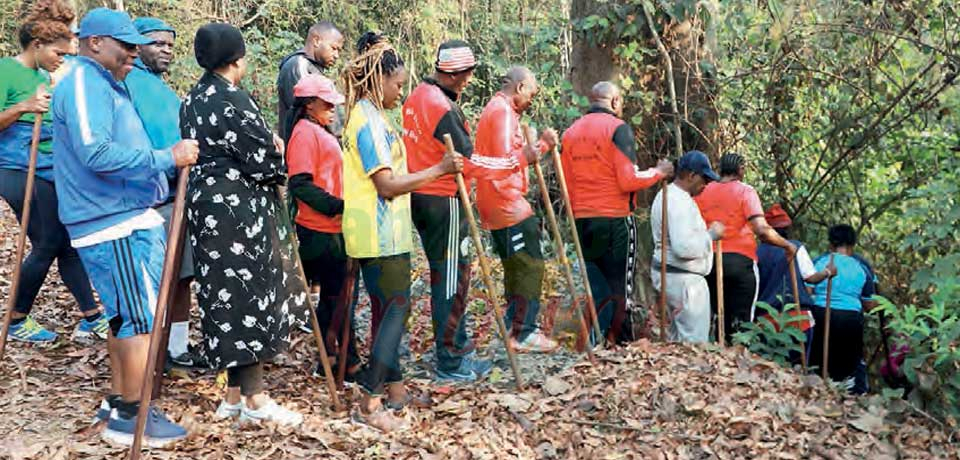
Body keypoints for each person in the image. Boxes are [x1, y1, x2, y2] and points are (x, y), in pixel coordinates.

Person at [52, 7, 198, 446]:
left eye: (137, 47)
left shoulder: (105, 83)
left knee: (124, 317)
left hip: (120, 213)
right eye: (126, 47)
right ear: (95, 42)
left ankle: (119, 401)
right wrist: (165, 158)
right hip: (111, 218)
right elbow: (95, 153)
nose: (133, 55)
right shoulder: (83, 81)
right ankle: (133, 417)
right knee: (139, 319)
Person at [180, 23, 305, 426]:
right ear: (236, 60)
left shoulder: (191, 98)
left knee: (221, 294)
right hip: (237, 211)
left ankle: (233, 395)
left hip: (203, 206)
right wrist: (276, 148)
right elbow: (265, 162)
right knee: (246, 294)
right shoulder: (232, 98)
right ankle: (255, 399)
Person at [341, 32, 462, 432]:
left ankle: (394, 391)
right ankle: (370, 402)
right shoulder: (367, 120)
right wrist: (439, 170)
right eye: (397, 84)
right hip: (378, 234)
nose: (401, 91)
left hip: (384, 233)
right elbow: (387, 185)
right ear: (379, 79)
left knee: (386, 312)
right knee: (395, 314)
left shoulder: (374, 116)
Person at [0, 0, 105, 344]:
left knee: (67, 243)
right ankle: (16, 318)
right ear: (37, 45)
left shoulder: (44, 75)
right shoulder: (6, 71)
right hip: (16, 169)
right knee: (47, 242)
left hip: (48, 168)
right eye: (58, 53)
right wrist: (24, 106)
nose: (62, 59)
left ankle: (92, 317)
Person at [402, 39, 508, 380]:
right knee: (451, 280)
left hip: (420, 195)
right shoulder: (441, 106)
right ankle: (451, 362)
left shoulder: (417, 95)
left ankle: (454, 353)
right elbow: (469, 162)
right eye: (466, 75)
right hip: (441, 199)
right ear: (456, 74)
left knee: (445, 277)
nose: (467, 82)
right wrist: (517, 162)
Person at [560, 81, 674, 344]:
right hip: (615, 220)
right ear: (614, 102)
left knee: (596, 287)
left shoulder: (570, 133)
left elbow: (566, 183)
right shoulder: (617, 129)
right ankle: (621, 345)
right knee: (619, 285)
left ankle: (597, 342)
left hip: (582, 221)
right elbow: (628, 180)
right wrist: (659, 173)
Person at [125, 16, 202, 368]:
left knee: (182, 276)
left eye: (170, 44)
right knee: (162, 277)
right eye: (157, 44)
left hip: (176, 194)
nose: (166, 50)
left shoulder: (157, 86)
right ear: (136, 45)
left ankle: (177, 348)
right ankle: (156, 352)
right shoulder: (133, 83)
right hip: (155, 197)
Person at [473, 66, 559, 353]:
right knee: (529, 264)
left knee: (516, 265)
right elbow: (504, 160)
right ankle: (524, 332)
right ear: (520, 87)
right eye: (531, 93)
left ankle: (515, 328)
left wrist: (537, 146)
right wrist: (543, 145)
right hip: (504, 200)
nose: (532, 100)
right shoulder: (501, 112)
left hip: (499, 200)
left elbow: (514, 155)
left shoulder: (501, 111)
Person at [285, 74, 361, 380]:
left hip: (332, 227)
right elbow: (300, 185)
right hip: (319, 230)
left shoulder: (319, 130)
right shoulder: (305, 133)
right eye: (326, 103)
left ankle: (335, 360)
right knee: (339, 297)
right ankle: (345, 362)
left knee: (336, 297)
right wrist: (339, 206)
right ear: (309, 105)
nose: (332, 108)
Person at [694, 153, 797, 343]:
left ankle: (716, 359)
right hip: (741, 262)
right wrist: (787, 245)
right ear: (741, 170)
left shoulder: (703, 191)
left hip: (708, 261)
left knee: (716, 317)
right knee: (741, 321)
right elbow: (761, 229)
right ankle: (737, 362)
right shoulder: (745, 191)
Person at [650, 151, 722, 342]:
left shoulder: (671, 196)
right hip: (683, 282)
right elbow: (683, 248)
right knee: (694, 343)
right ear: (691, 175)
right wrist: (711, 235)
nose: (706, 184)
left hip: (674, 277)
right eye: (704, 179)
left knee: (677, 344)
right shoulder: (677, 201)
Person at [756, 204, 835, 364]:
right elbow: (811, 277)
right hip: (797, 317)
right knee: (798, 366)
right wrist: (827, 272)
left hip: (766, 319)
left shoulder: (757, 251)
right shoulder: (795, 247)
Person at [807, 224, 877, 394]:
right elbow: (870, 305)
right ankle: (853, 396)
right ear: (853, 244)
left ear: (830, 243)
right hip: (850, 319)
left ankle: (818, 392)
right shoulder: (863, 267)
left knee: (818, 361)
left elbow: (807, 291)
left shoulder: (819, 262)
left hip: (821, 314)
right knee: (849, 365)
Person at [277, 21, 344, 141]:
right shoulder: (298, 66)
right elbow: (309, 112)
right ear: (316, 41)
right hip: (303, 147)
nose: (336, 55)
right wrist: (338, 137)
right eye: (333, 48)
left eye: (339, 50)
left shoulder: (312, 68)